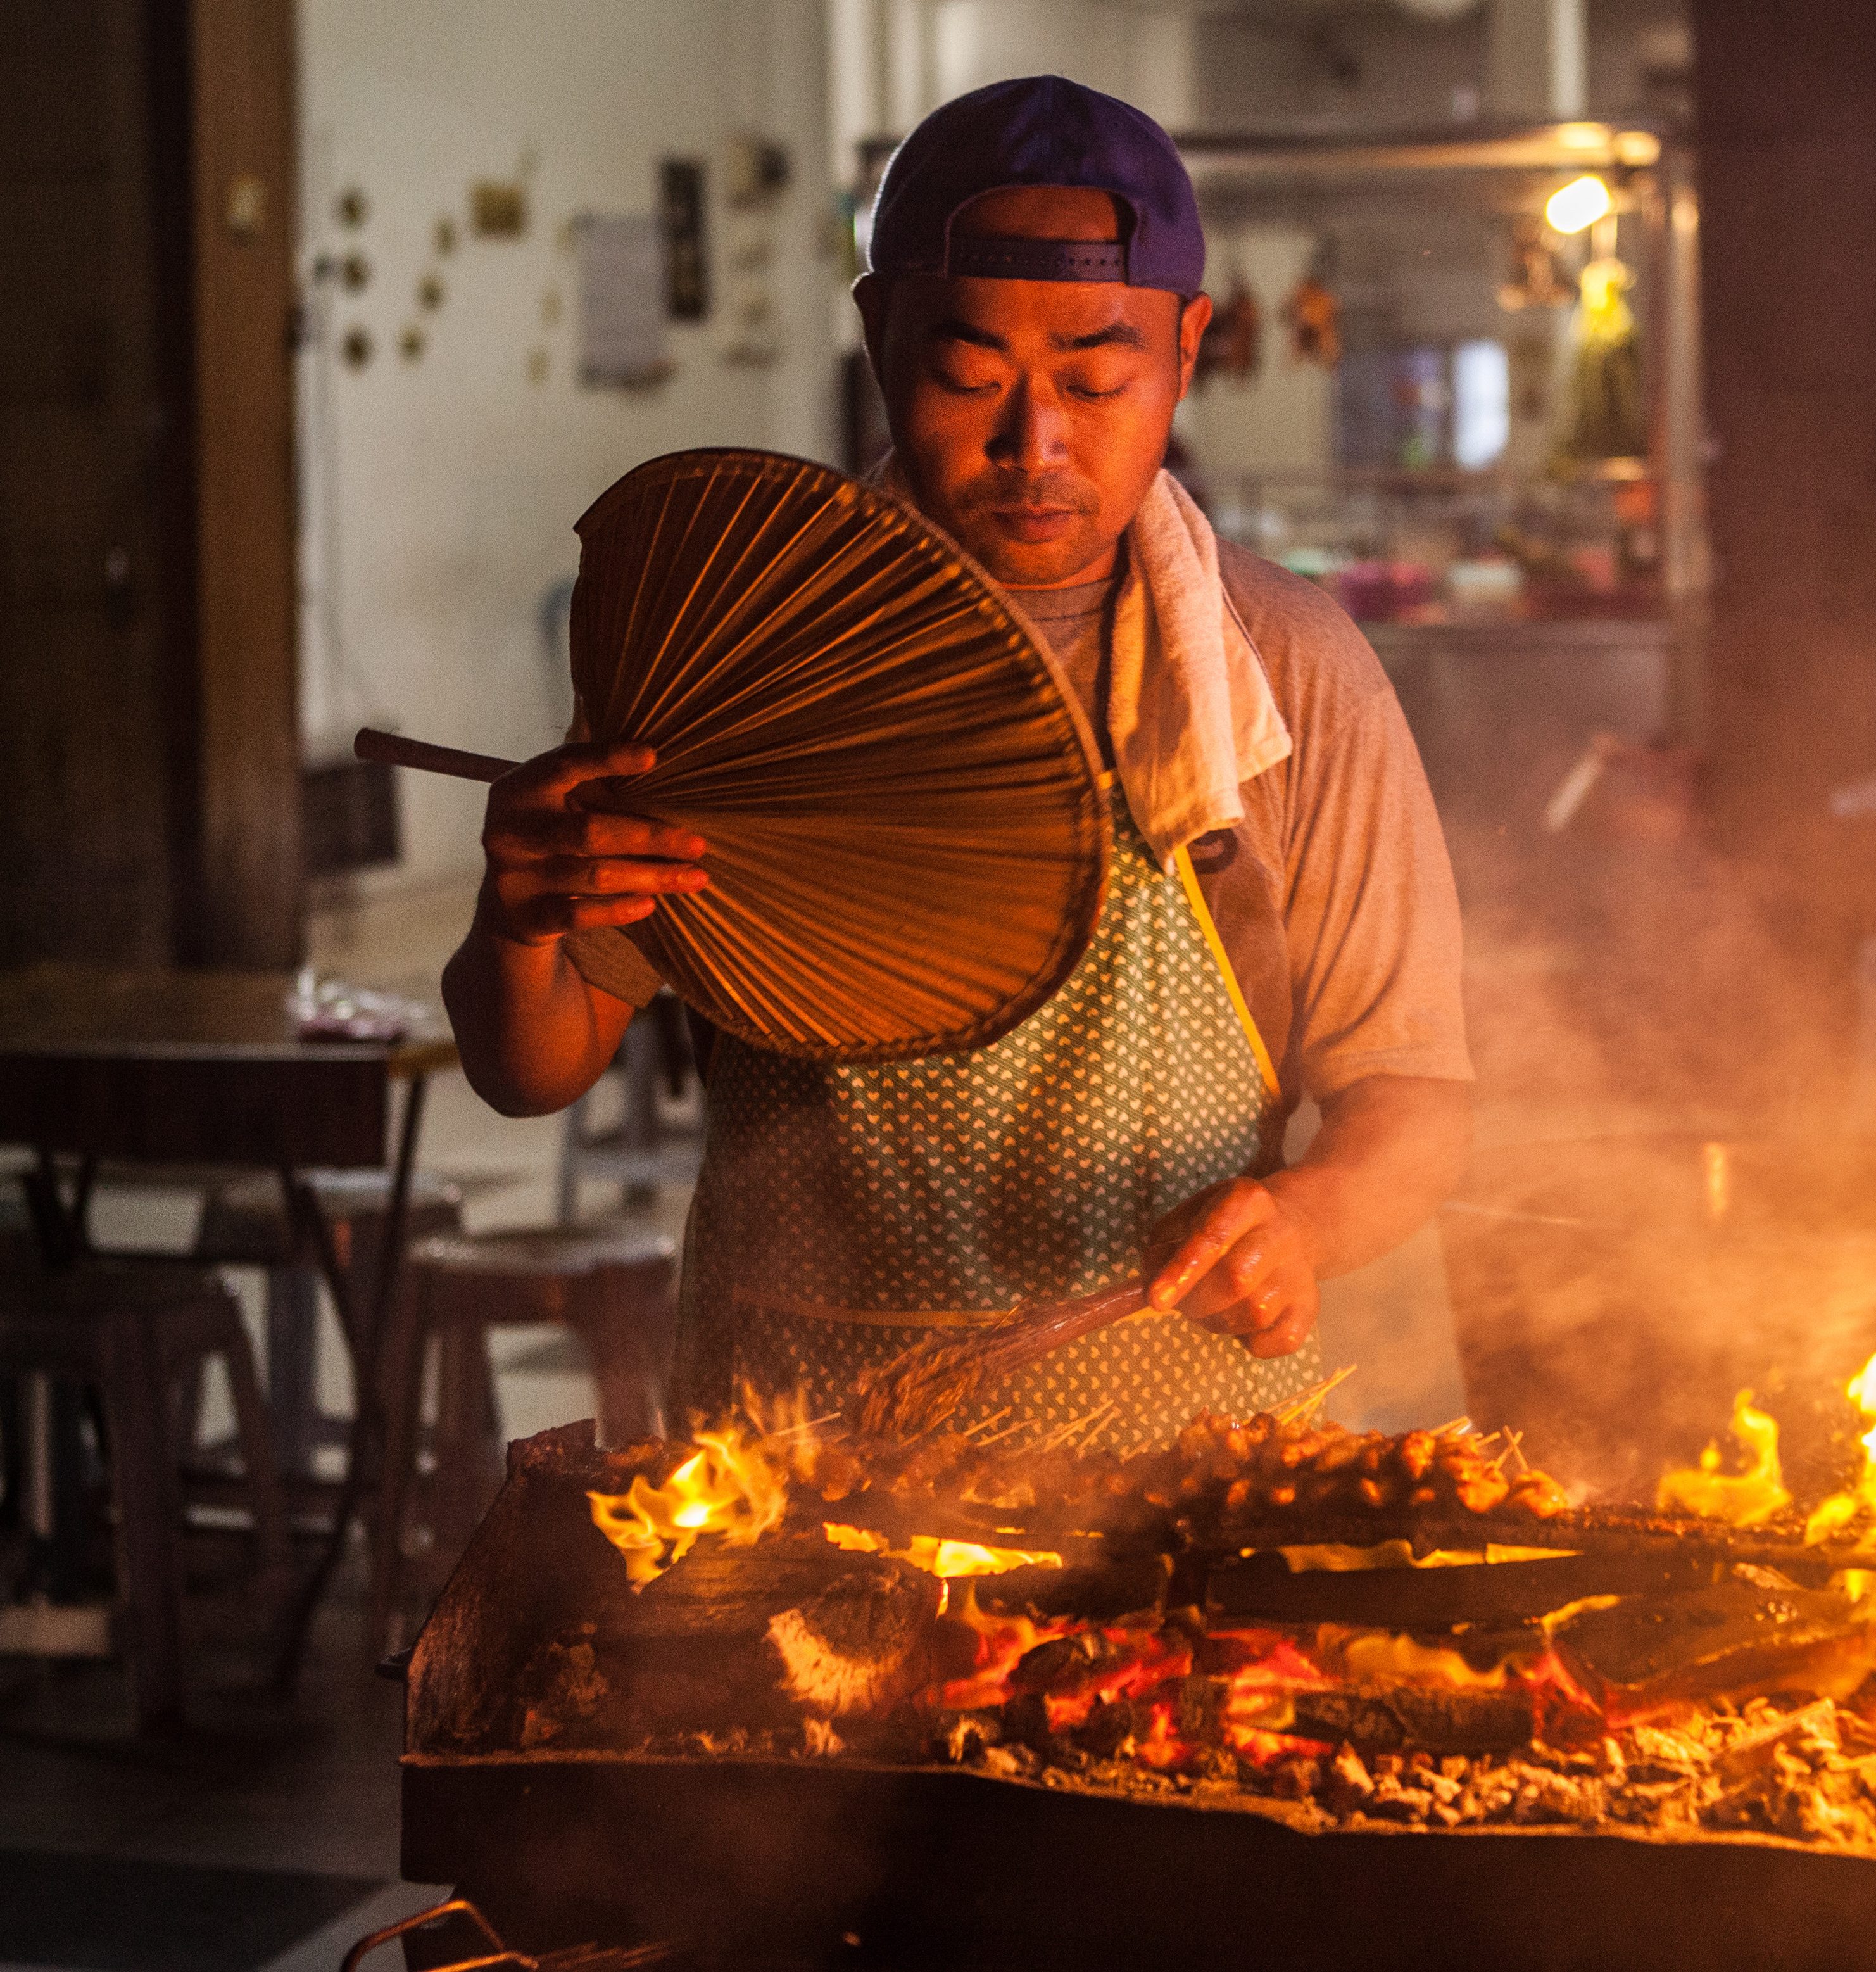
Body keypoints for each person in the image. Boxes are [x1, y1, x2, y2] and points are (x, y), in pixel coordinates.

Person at [441, 76, 1471, 1450]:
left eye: (1098, 380)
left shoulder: (1283, 673)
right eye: (969, 376)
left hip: (1179, 1483)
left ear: (1187, 350)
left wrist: (1308, 1219)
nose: (1034, 447)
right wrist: (518, 923)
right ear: (878, 339)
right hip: (800, 1471)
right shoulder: (747, 648)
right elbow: (538, 1065)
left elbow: (1409, 1099)